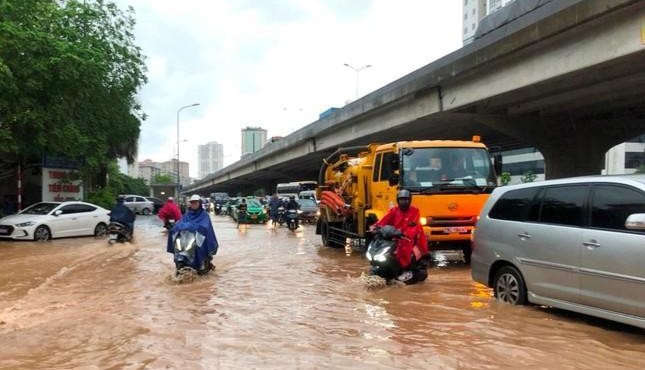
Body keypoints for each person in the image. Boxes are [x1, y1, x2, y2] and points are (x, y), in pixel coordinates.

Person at [371, 189, 429, 284]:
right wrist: (375, 227)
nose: (404, 202)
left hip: (408, 237)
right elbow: (384, 220)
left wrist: (405, 233)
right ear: (398, 201)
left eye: (406, 200)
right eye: (402, 200)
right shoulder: (394, 210)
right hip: (394, 236)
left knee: (404, 249)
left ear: (409, 200)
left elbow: (413, 225)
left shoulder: (415, 211)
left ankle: (404, 269)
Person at [167, 194, 218, 271]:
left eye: (196, 202)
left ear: (199, 203)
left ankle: (203, 263)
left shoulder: (204, 215)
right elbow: (181, 222)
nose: (194, 204)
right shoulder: (187, 214)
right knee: (177, 245)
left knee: (198, 247)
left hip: (198, 238)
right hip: (185, 239)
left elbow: (205, 226)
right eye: (192, 202)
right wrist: (175, 227)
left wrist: (195, 228)